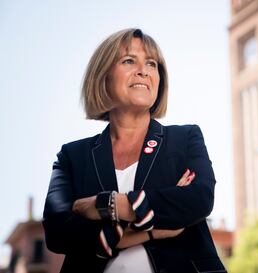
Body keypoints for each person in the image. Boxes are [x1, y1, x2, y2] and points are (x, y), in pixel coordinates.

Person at [42, 28, 227, 273]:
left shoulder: (185, 138)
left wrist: (108, 204)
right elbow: (58, 233)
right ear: (103, 76)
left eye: (151, 63)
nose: (143, 70)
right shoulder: (72, 156)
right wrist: (152, 229)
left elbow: (198, 199)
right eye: (129, 60)